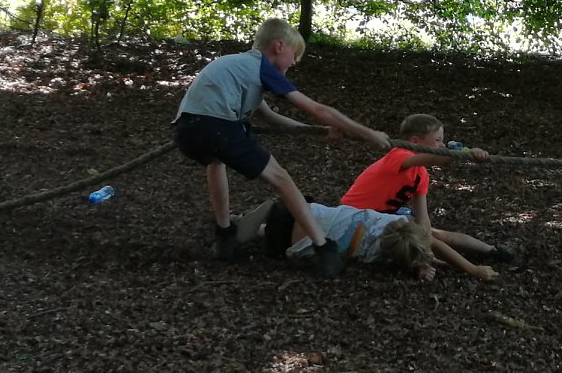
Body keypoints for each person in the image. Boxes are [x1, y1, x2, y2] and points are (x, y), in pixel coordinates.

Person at [171, 16, 391, 266]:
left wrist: (314, 132)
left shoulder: (239, 67)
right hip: (218, 127)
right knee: (282, 179)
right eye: (294, 55)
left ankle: (224, 233)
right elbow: (317, 109)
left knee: (215, 162)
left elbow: (269, 116)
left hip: (186, 132)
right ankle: (323, 247)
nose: (294, 62)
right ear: (278, 46)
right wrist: (369, 133)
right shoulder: (261, 66)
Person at [341, 113, 522, 266]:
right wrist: (464, 154)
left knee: (432, 233)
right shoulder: (398, 155)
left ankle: (491, 250)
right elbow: (435, 159)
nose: (442, 145)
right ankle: (466, 266)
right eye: (437, 140)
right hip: (354, 214)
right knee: (419, 235)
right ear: (415, 141)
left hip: (384, 214)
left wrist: (425, 237)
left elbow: (423, 217)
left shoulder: (421, 174)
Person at [266, 200, 499, 282]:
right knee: (264, 232)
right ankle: (259, 228)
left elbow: (430, 244)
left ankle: (256, 223)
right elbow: (433, 246)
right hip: (288, 243)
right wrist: (472, 270)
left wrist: (472, 269)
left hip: (303, 211)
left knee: (265, 227)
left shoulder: (393, 222)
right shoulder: (374, 255)